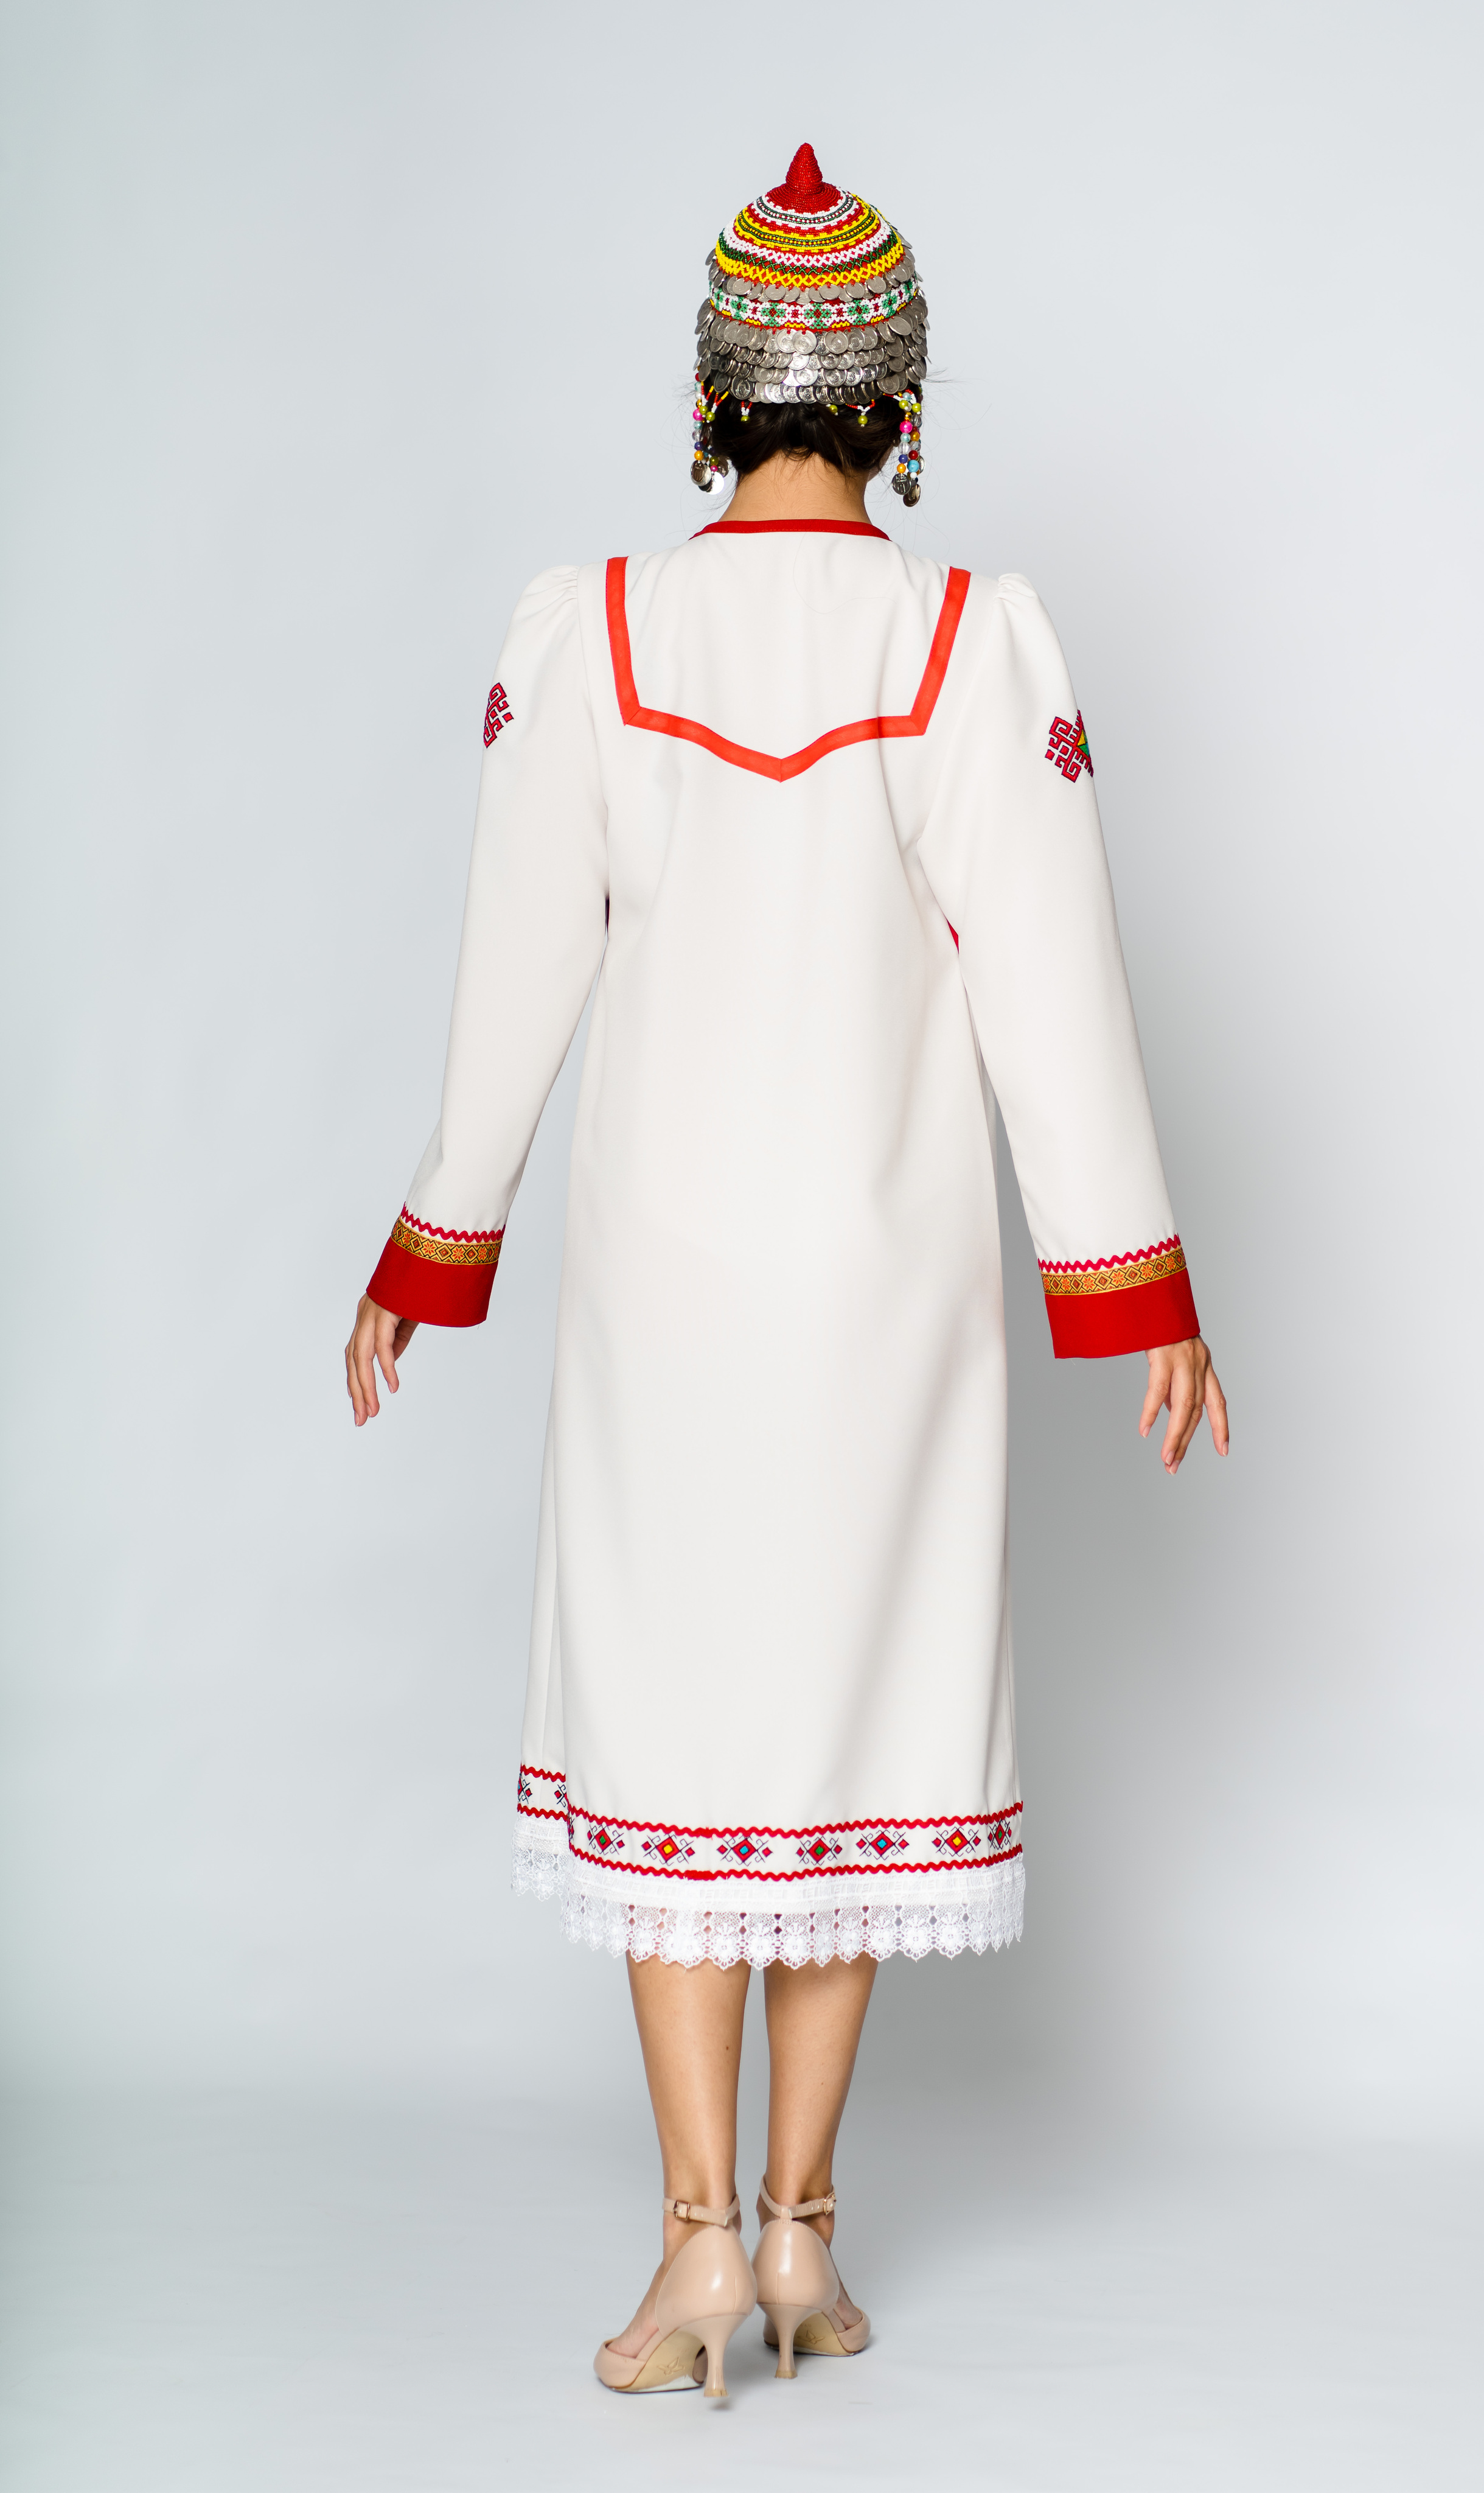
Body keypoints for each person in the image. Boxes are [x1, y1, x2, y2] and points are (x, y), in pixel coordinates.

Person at [345, 142, 1227, 2399]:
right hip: (886, 1274)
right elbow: (1050, 977)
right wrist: (1136, 1284)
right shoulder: (966, 638)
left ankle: (696, 2257)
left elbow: (518, 964)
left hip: (666, 1274)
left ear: (711, 398)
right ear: (899, 401)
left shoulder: (597, 630)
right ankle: (807, 2239)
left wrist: (435, 1239)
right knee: (852, 1732)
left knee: (675, 1721)